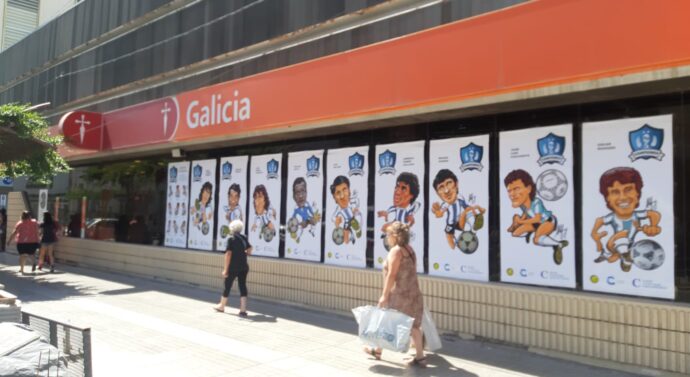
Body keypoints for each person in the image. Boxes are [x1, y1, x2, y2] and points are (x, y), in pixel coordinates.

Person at [365, 221, 426, 367]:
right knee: (414, 325)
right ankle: (420, 357)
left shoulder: (396, 251)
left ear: (394, 236)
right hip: (414, 293)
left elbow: (392, 275)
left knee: (386, 321)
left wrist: (384, 295)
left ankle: (377, 351)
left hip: (399, 295)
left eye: (388, 234)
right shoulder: (410, 250)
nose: (387, 237)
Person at [591, 167, 661, 272]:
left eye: (628, 189)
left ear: (638, 193)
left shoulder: (636, 215)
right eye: (615, 192)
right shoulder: (613, 217)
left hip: (628, 242)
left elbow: (654, 214)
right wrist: (594, 233)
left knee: (615, 253)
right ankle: (618, 256)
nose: (623, 197)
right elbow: (599, 221)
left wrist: (653, 226)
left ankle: (624, 258)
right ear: (607, 198)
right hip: (616, 240)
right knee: (612, 254)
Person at [504, 169, 568, 265]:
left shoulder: (536, 202)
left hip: (547, 221)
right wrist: (520, 219)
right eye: (509, 190)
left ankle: (558, 244)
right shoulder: (522, 203)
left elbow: (537, 218)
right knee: (515, 234)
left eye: (516, 189)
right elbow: (526, 213)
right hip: (534, 223)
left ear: (528, 189)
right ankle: (532, 231)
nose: (512, 194)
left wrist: (520, 222)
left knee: (537, 240)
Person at [431, 169, 485, 249]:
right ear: (438, 193)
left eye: (448, 183)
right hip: (451, 224)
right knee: (449, 236)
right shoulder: (446, 204)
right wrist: (437, 212)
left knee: (467, 211)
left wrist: (474, 209)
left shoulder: (460, 197)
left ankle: (474, 227)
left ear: (456, 184)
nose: (446, 191)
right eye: (441, 187)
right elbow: (440, 214)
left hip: (460, 221)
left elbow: (466, 206)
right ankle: (453, 247)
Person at [214, 220, 253, 316]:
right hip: (244, 266)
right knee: (242, 285)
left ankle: (222, 306)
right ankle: (243, 309)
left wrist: (225, 269)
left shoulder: (231, 239)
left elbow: (228, 254)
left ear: (232, 228)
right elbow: (250, 249)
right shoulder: (243, 238)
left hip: (233, 267)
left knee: (227, 285)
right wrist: (245, 253)